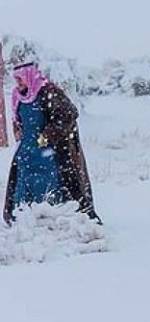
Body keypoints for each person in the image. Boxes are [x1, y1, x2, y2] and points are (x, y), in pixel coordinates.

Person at [2, 51, 100, 224]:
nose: (17, 82)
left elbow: (68, 114)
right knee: (23, 185)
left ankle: (53, 219)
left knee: (49, 184)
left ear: (30, 75)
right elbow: (18, 120)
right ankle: (23, 221)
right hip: (26, 151)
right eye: (15, 78)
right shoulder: (18, 96)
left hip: (47, 152)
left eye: (20, 78)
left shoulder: (49, 92)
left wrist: (47, 135)